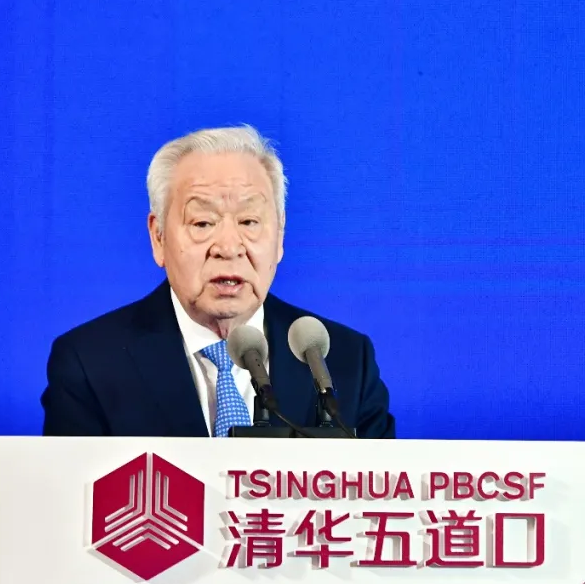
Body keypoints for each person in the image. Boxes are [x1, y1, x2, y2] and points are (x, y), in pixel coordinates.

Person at [40, 126, 396, 438]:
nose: (228, 247)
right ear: (159, 237)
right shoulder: (91, 364)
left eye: (249, 222)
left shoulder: (346, 361)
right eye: (202, 223)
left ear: (280, 235)